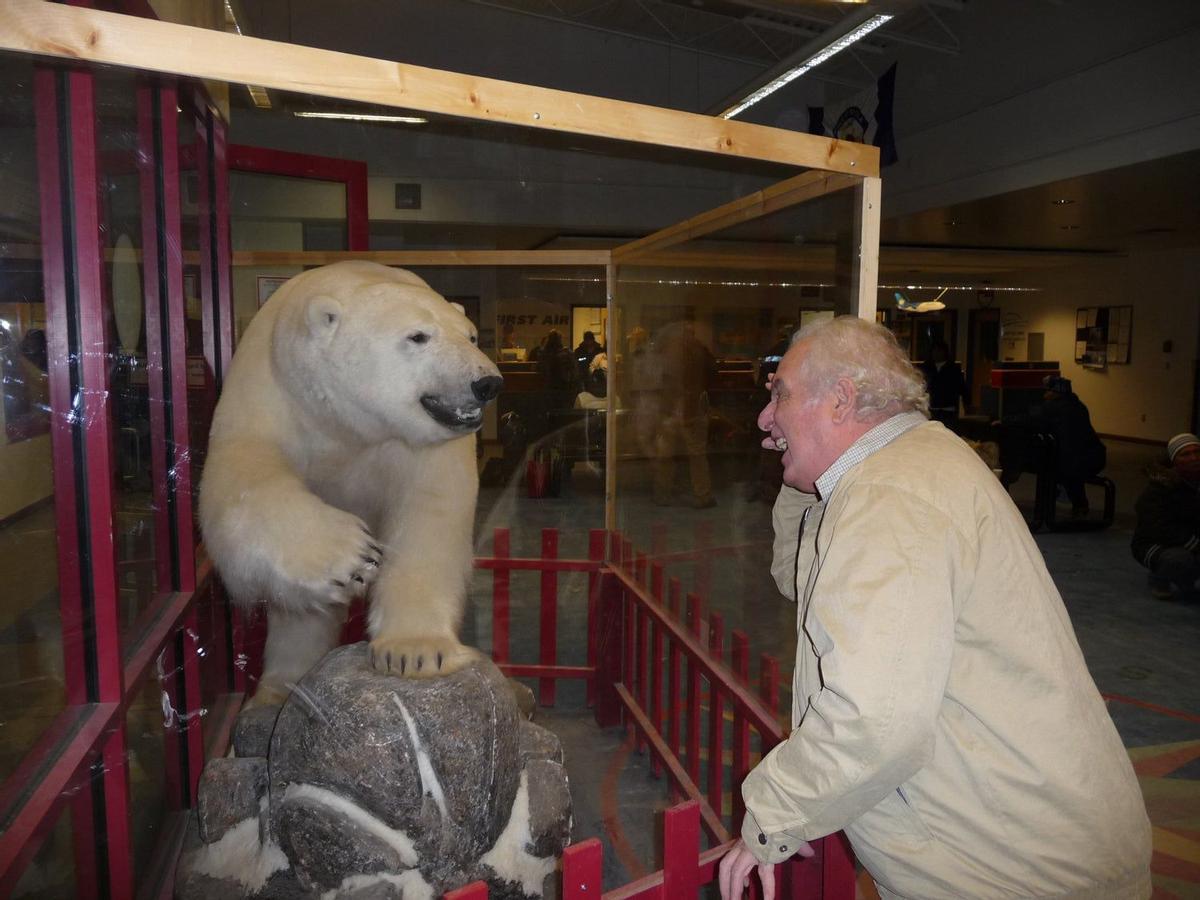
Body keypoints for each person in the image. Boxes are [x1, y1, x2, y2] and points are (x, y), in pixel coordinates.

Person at [719, 316, 1151, 900]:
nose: (765, 417)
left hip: (1010, 868)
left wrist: (773, 817)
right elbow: (806, 581)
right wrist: (805, 479)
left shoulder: (887, 499)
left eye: (781, 396)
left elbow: (873, 719)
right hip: (1036, 838)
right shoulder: (914, 462)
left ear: (840, 401)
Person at [1131, 432, 1200, 602]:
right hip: (1154, 543)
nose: (1194, 458)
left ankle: (1186, 578)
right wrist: (1193, 543)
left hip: (1191, 540)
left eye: (1197, 452)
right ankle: (1160, 577)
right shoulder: (1159, 489)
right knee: (1179, 560)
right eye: (1186, 454)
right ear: (1173, 461)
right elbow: (1156, 527)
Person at [1030, 374, 1107, 517]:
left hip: (1074, 461)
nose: (1045, 394)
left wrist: (1005, 420)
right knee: (1070, 464)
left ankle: (1049, 507)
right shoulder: (1078, 406)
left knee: (1059, 468)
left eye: (1047, 391)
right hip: (1096, 456)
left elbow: (1031, 419)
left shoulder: (1052, 408)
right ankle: (1079, 505)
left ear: (1054, 393)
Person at [917, 338, 967, 428]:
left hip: (948, 409)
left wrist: (967, 404)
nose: (936, 353)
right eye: (934, 351)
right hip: (931, 408)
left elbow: (962, 388)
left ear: (945, 352)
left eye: (939, 351)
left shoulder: (953, 369)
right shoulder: (926, 367)